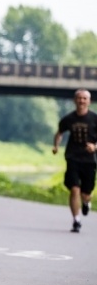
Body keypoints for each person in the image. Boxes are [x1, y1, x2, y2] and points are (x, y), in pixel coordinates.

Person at [52, 89, 97, 233]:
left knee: (86, 193)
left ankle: (86, 202)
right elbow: (59, 133)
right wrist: (56, 146)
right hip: (72, 157)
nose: (82, 101)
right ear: (74, 100)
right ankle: (76, 220)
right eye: (79, 98)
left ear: (89, 101)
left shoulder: (94, 119)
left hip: (89, 160)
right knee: (74, 188)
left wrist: (95, 146)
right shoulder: (69, 119)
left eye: (85, 98)